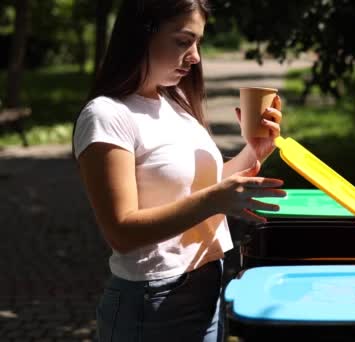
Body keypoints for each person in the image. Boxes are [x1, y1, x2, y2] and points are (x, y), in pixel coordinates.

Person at [71, 1, 286, 341]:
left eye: (198, 42)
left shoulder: (173, 103)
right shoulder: (106, 115)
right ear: (143, 34)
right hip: (153, 301)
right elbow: (121, 231)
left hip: (208, 284)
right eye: (184, 41)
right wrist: (214, 200)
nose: (196, 56)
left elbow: (198, 190)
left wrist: (252, 153)